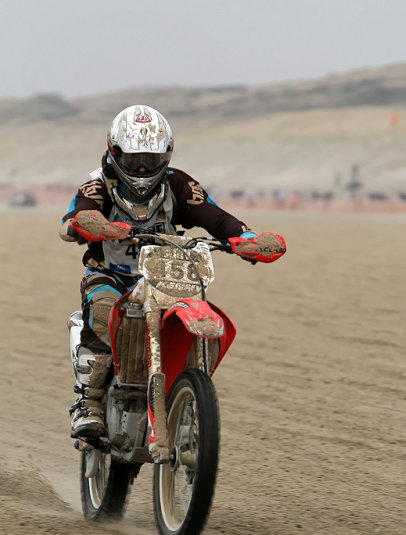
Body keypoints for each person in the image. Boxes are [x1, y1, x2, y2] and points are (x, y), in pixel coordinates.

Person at [60, 104, 284, 439]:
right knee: (104, 307)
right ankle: (88, 403)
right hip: (110, 274)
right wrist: (90, 225)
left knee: (193, 306)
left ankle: (186, 390)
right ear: (114, 152)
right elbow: (73, 219)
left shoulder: (178, 184)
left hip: (164, 275)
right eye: (134, 158)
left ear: (166, 155)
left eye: (150, 160)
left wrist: (245, 239)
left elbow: (213, 215)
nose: (141, 167)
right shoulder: (98, 186)